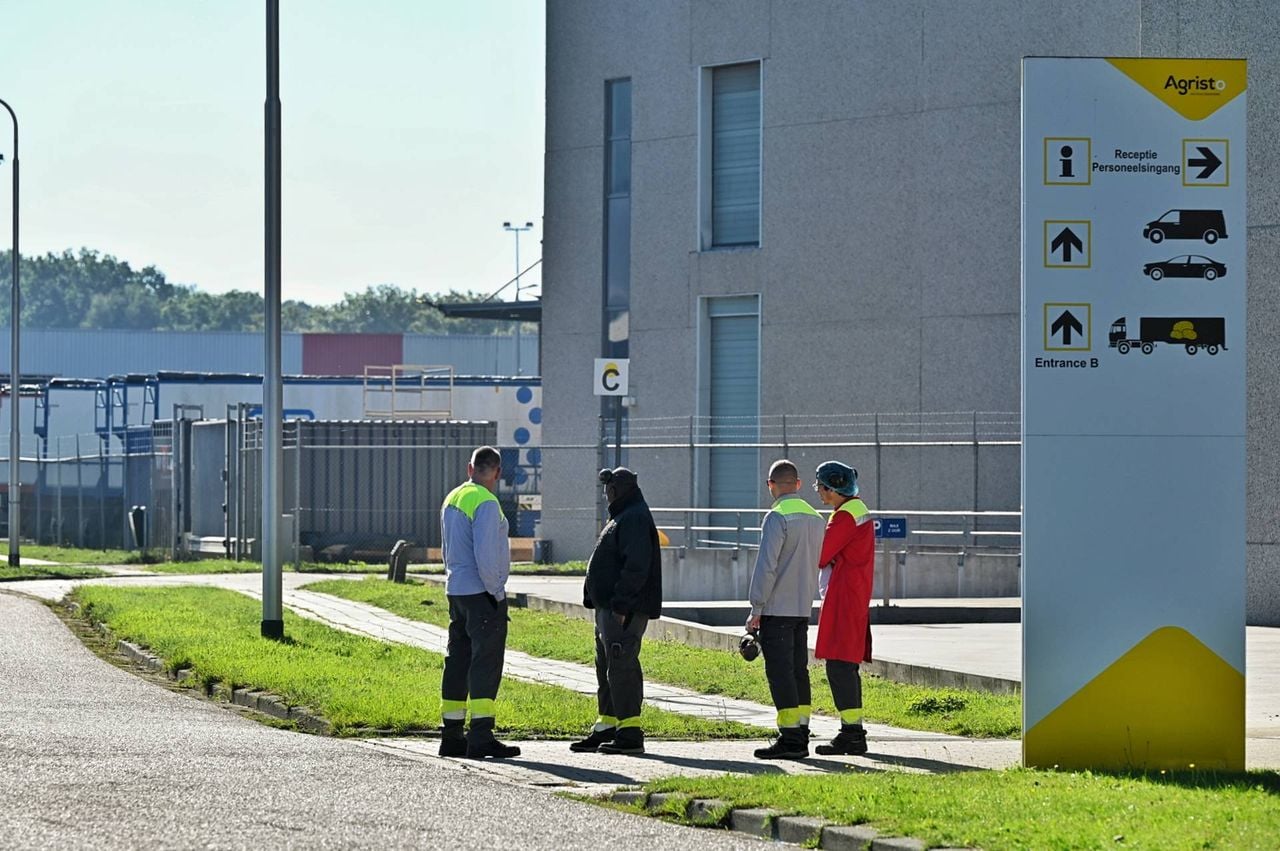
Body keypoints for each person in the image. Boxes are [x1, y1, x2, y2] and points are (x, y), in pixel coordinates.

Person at [571, 466, 663, 755]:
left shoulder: (633, 517)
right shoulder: (623, 514)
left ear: (616, 490)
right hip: (609, 608)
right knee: (608, 667)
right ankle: (608, 725)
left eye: (608, 489)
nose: (605, 494)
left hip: (623, 610)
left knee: (621, 665)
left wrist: (622, 604)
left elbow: (636, 566)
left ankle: (630, 731)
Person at [438, 446, 520, 759]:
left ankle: (452, 735)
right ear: (497, 473)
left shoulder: (452, 497)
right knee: (485, 663)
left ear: (470, 468)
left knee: (457, 661)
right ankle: (481, 735)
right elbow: (487, 556)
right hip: (481, 594)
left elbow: (448, 550)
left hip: (456, 590)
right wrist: (496, 593)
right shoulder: (486, 502)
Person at [746, 459, 825, 760]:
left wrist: (756, 607)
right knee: (798, 671)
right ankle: (801, 731)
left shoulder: (776, 517)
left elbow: (767, 567)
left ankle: (790, 738)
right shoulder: (816, 517)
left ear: (771, 485)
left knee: (780, 674)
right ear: (799, 484)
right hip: (802, 607)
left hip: (777, 608)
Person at [812, 460, 875, 756]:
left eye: (821, 487)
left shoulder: (844, 517)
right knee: (845, 666)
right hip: (854, 593)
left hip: (843, 596)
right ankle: (852, 732)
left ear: (833, 487)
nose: (819, 493)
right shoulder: (856, 509)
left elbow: (821, 554)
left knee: (839, 666)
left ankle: (852, 734)